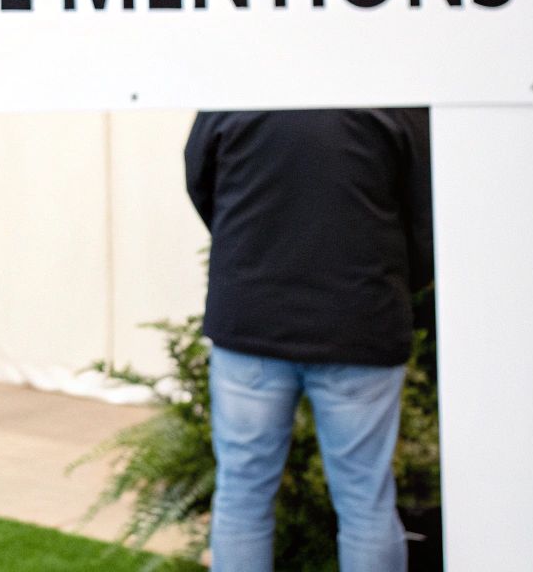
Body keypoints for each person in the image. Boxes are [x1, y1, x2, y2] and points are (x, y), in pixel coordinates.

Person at [184, 109, 431, 572]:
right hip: (361, 321)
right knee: (367, 504)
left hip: (252, 319)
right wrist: (391, 280)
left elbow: (200, 181)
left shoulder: (235, 84)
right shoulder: (393, 89)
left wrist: (251, 252)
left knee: (241, 495)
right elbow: (427, 211)